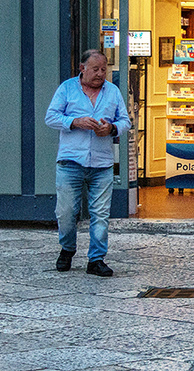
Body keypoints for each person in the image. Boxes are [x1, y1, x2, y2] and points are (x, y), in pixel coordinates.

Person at [44, 49, 130, 276]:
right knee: (65, 212)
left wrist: (111, 129)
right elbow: (50, 117)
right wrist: (75, 122)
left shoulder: (112, 92)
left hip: (102, 163)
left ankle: (96, 259)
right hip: (70, 161)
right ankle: (67, 248)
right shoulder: (66, 89)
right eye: (95, 69)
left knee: (100, 214)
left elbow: (125, 121)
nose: (100, 74)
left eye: (104, 69)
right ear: (82, 69)